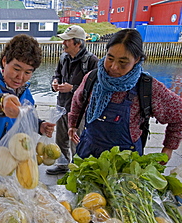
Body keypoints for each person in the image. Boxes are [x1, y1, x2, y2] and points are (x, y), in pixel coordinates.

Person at [68, 29, 182, 163]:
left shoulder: (148, 87)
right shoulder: (92, 78)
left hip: (125, 163)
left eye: (123, 62)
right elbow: (77, 101)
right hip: (88, 153)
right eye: (110, 58)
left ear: (137, 59)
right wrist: (73, 125)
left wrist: (168, 149)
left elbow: (179, 114)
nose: (114, 67)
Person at [0, 34, 56, 168]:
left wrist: (39, 126)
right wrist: (1, 102)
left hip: (11, 163)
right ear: (4, 61)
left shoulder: (25, 91)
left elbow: (27, 116)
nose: (20, 77)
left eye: (27, 72)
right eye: (16, 69)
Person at [46, 25, 99, 175]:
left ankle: (77, 170)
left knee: (76, 140)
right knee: (60, 138)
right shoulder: (63, 57)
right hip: (61, 105)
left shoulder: (92, 61)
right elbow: (56, 74)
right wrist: (54, 82)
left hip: (80, 110)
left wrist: (73, 88)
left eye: (67, 41)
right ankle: (63, 165)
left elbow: (96, 88)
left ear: (78, 43)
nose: (63, 43)